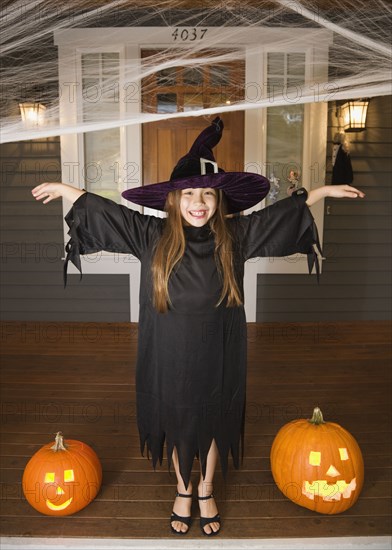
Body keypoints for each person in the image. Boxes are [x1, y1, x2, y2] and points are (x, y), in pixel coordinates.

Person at [31, 117, 364, 536]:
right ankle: (183, 487)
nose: (199, 202)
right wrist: (67, 190)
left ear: (219, 200)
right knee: (175, 418)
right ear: (173, 200)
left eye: (207, 194)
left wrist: (321, 192)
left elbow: (281, 215)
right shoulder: (148, 234)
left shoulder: (235, 236)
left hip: (218, 352)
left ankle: (205, 487)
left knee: (210, 419)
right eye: (189, 194)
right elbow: (106, 212)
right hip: (166, 352)